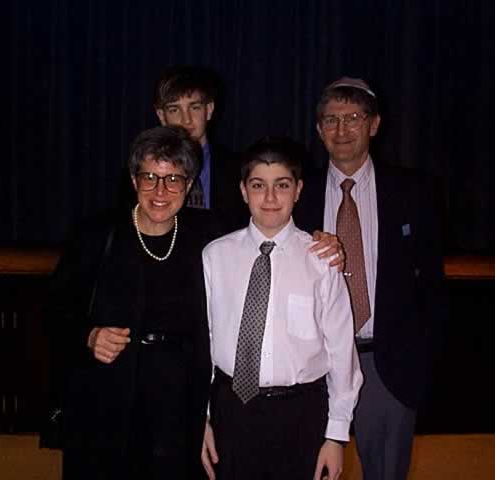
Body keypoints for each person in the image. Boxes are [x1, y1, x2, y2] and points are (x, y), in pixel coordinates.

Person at [294, 77, 447, 480]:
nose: (341, 130)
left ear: (374, 124)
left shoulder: (413, 191)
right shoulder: (295, 195)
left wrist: (422, 358)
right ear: (318, 129)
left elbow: (432, 287)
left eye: (354, 118)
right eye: (331, 120)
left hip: (387, 364)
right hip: (316, 366)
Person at [50, 125, 213, 479]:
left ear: (188, 185)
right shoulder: (96, 235)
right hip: (105, 398)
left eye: (173, 179)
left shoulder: (207, 240)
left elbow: (268, 227)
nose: (160, 190)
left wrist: (319, 240)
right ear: (133, 179)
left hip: (177, 403)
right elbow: (55, 312)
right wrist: (89, 336)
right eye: (150, 176)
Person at [201, 137, 363, 480]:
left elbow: (341, 351)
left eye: (282, 186)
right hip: (232, 409)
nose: (270, 198)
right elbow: (204, 343)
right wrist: (202, 418)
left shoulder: (321, 260)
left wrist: (335, 435)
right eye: (259, 186)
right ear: (244, 191)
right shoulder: (215, 256)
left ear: (299, 190)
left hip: (302, 412)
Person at [153, 65, 247, 230]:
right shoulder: (143, 176)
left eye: (194, 107)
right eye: (175, 110)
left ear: (209, 110)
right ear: (162, 116)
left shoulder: (240, 168)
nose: (186, 119)